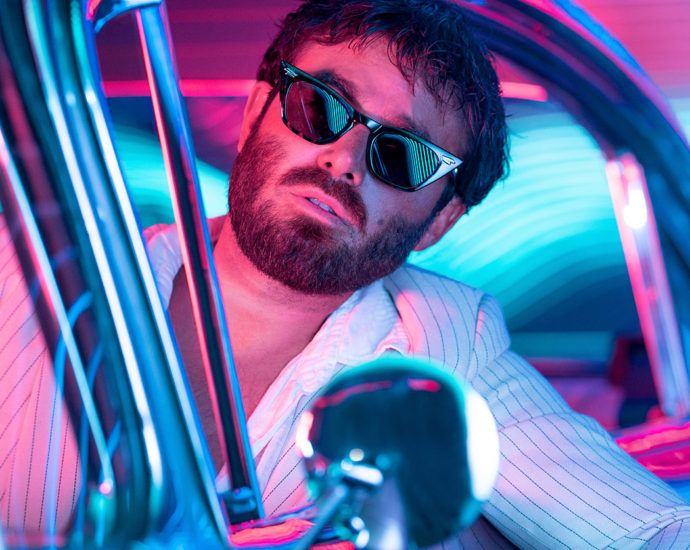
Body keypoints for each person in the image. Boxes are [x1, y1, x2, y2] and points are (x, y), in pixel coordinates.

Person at [1, 0, 690, 547]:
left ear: (441, 220)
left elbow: (651, 532)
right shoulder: (29, 268)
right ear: (256, 113)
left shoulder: (445, 346)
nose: (343, 159)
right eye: (320, 106)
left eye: (402, 154)